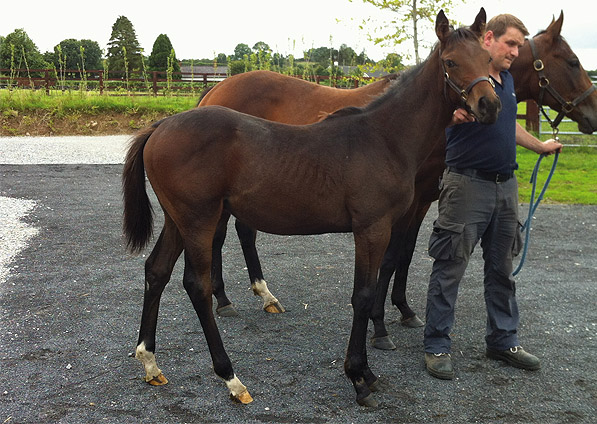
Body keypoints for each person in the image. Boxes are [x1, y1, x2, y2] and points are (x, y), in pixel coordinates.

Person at [423, 14, 563, 380]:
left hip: (506, 187)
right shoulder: (460, 78)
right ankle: (437, 344)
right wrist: (448, 119)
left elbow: (509, 123)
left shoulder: (508, 80)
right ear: (489, 38)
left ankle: (503, 340)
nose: (516, 52)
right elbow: (429, 116)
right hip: (466, 184)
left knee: (502, 269)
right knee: (450, 265)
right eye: (511, 44)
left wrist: (540, 147)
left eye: (519, 46)